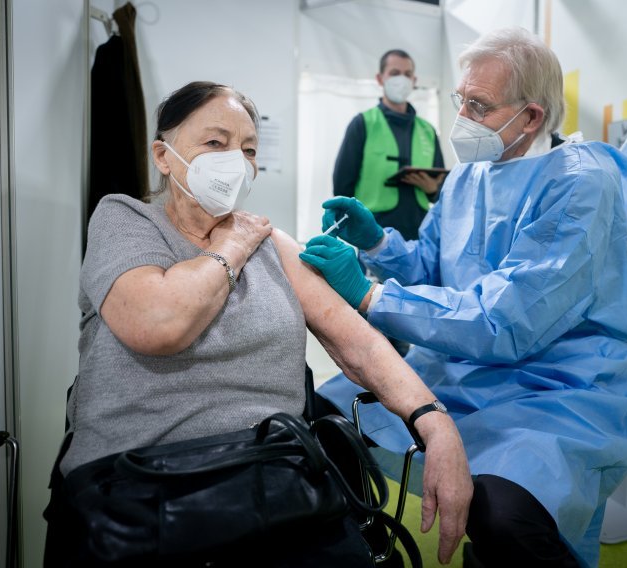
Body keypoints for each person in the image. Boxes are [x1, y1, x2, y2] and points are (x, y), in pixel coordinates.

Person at [43, 81, 472, 567]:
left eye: (248, 149)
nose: (236, 160)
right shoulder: (125, 220)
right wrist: (232, 243)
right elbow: (159, 324)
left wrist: (435, 425)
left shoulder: (272, 244)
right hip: (137, 488)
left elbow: (362, 347)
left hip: (272, 481)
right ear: (163, 156)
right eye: (214, 143)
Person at [300, 28, 627, 568]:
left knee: (506, 517)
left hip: (558, 387)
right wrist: (376, 241)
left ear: (532, 116)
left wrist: (369, 294)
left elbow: (506, 320)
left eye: (479, 105)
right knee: (322, 423)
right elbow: (434, 268)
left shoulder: (580, 185)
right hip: (463, 369)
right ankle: (361, 547)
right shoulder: (470, 174)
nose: (462, 118)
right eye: (460, 101)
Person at [333, 49, 446, 242]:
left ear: (414, 80)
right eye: (394, 73)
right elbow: (342, 185)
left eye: (407, 74)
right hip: (372, 232)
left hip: (417, 235)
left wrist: (432, 190)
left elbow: (443, 191)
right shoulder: (363, 124)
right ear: (380, 78)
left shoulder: (428, 131)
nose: (401, 79)